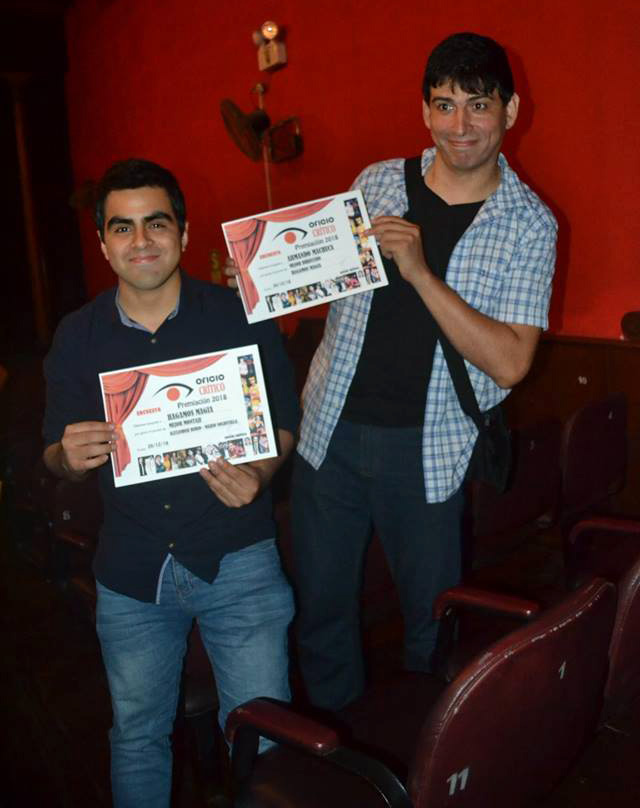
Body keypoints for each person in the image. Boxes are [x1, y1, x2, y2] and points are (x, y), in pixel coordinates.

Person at [263, 32, 555, 711]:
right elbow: (317, 278)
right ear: (424, 110)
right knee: (322, 613)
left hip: (429, 450)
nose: (461, 126)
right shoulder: (376, 184)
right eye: (445, 105)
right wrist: (266, 275)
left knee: (431, 622)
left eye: (479, 105)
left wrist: (421, 273)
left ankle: (427, 749)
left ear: (510, 110)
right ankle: (332, 748)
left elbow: (512, 362)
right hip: (328, 436)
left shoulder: (529, 224)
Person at [42, 158, 299, 807]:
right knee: (136, 737)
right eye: (122, 227)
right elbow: (51, 452)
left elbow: (285, 424)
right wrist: (67, 458)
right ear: (103, 243)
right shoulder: (77, 336)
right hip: (133, 571)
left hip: (239, 557)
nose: (141, 241)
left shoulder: (239, 315)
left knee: (265, 741)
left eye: (156, 223)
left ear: (183, 233)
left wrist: (261, 472)